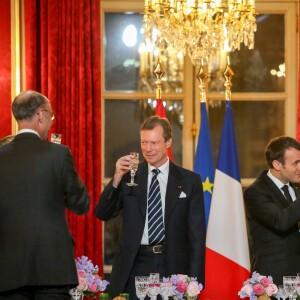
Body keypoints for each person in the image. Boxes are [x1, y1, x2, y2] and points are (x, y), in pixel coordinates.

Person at [96, 116, 206, 299]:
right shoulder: (129, 176)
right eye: (144, 142)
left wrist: (194, 282)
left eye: (154, 143)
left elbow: (196, 236)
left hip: (172, 266)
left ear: (168, 142)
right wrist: (116, 178)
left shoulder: (189, 181)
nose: (148, 149)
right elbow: (103, 212)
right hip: (134, 264)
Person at [0, 90, 90, 299]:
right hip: (52, 270)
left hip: (8, 271)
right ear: (41, 114)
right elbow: (81, 203)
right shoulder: (58, 154)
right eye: (51, 115)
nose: (51, 120)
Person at [244, 136, 300, 285]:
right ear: (277, 164)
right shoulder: (255, 192)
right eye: (295, 163)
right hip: (272, 282)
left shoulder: (297, 189)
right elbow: (281, 221)